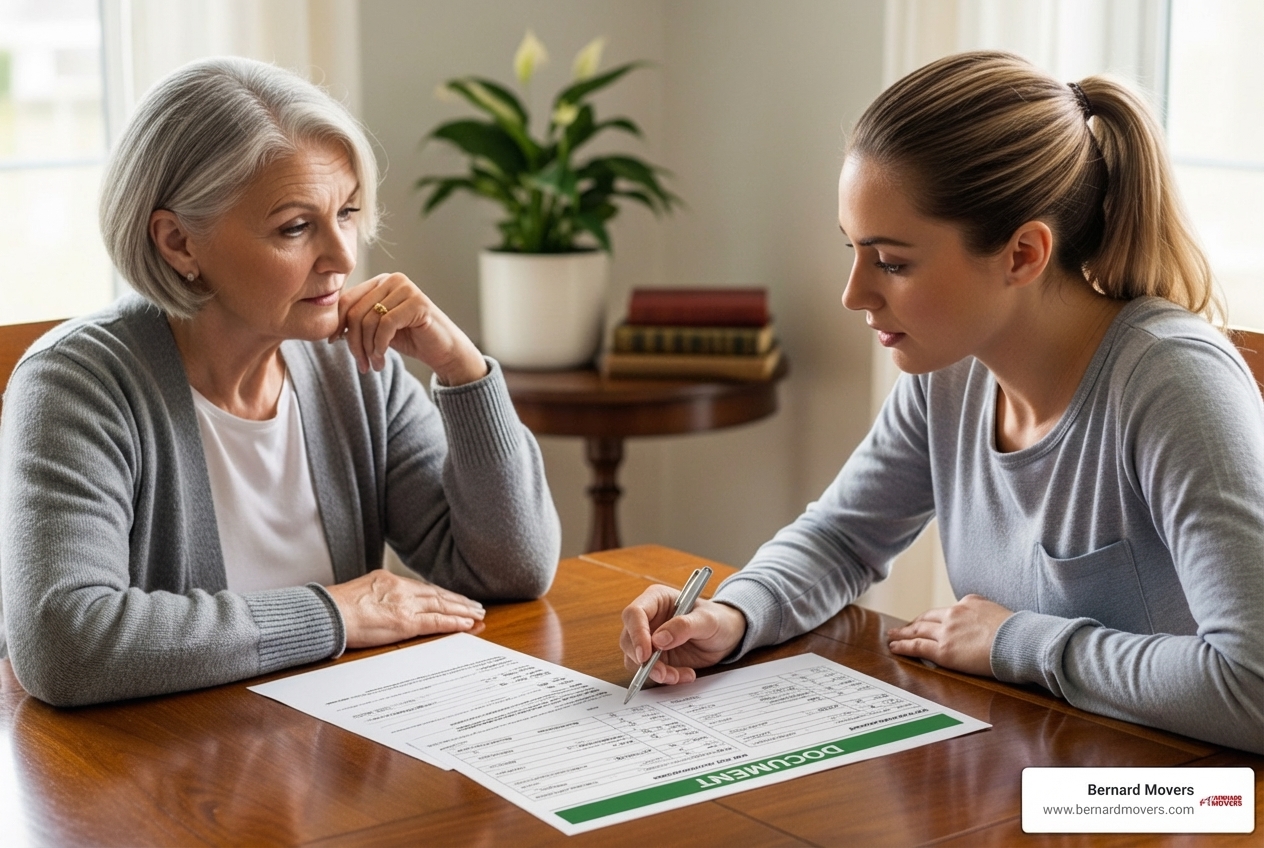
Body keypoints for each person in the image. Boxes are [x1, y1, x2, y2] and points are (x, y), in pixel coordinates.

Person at [619, 51, 1264, 754]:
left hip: (1182, 797)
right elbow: (843, 538)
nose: (853, 294)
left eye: (893, 262)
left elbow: (1254, 687)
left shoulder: (1174, 384)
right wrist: (732, 615)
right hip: (1038, 766)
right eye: (853, 249)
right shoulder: (952, 371)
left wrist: (1016, 642)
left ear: (1023, 254)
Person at [0, 57, 561, 707]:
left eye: (347, 212)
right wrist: (334, 614)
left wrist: (463, 370)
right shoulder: (75, 385)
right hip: (153, 762)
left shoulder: (354, 368)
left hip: (327, 747)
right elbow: (65, 644)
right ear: (178, 242)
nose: (343, 256)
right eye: (296, 227)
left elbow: (509, 570)